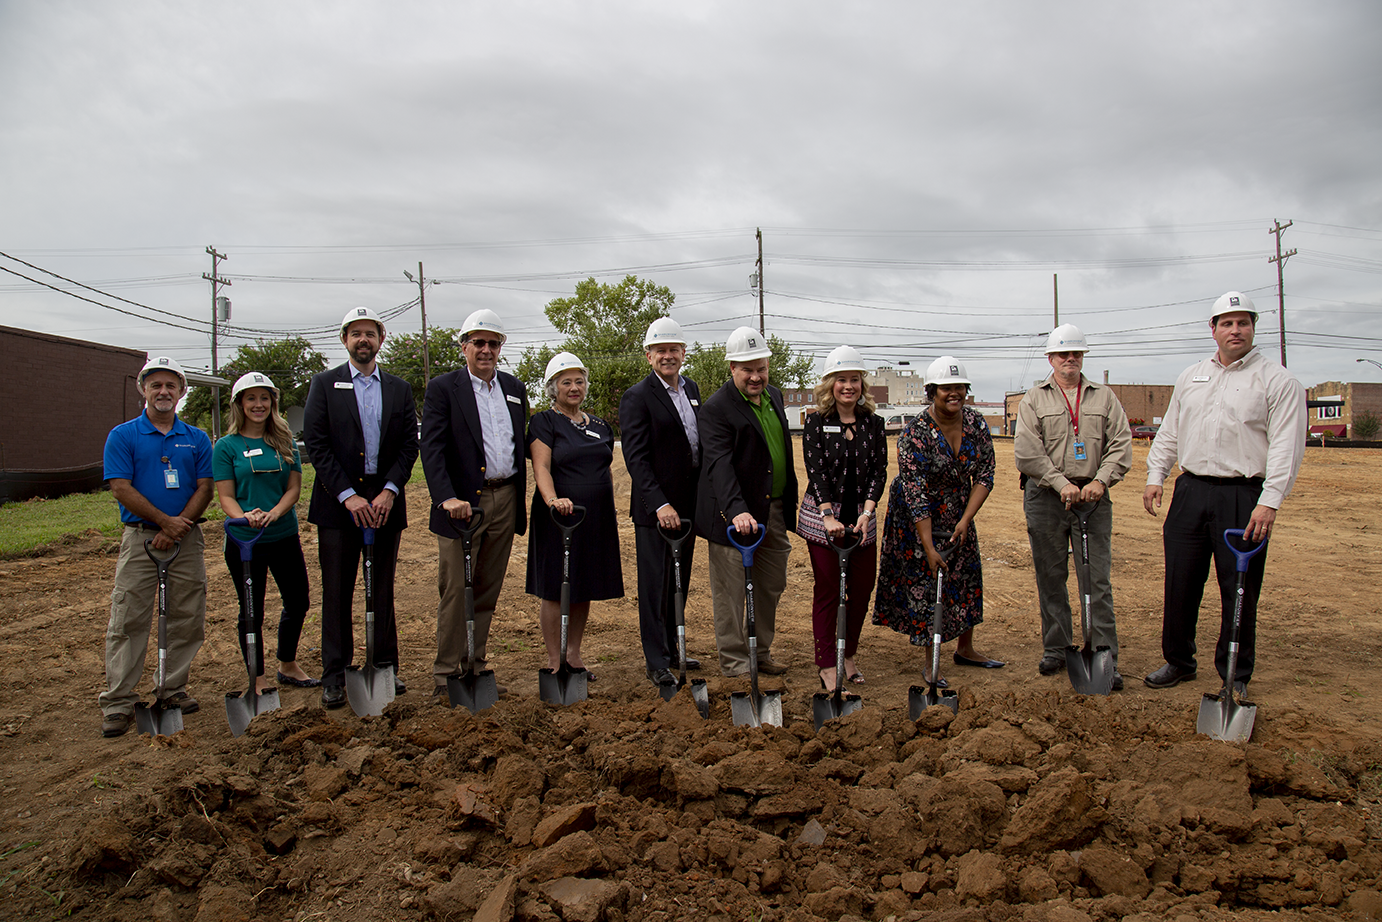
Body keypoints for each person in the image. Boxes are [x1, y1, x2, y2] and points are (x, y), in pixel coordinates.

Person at [1142, 292, 1306, 692]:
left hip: (1243, 497)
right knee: (1180, 582)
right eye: (1227, 323)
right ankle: (1178, 661)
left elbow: (1287, 446)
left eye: (1243, 322)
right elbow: (1171, 432)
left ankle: (1235, 674)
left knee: (1239, 588)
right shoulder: (1191, 376)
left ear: (1253, 327)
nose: (1235, 330)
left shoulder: (1277, 381)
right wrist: (1156, 474)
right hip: (1191, 491)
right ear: (1212, 330)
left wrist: (1270, 501)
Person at [302, 306, 418, 709]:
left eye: (370, 333)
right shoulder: (324, 383)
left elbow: (408, 445)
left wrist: (389, 491)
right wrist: (347, 495)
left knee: (381, 588)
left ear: (381, 340)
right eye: (356, 334)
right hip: (339, 506)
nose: (363, 340)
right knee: (336, 592)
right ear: (345, 340)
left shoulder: (399, 389)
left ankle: (385, 666)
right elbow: (315, 443)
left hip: (385, 504)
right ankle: (335, 675)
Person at [99, 356, 214, 738]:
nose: (163, 392)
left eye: (171, 386)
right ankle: (119, 701)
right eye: (155, 385)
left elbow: (205, 487)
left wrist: (178, 527)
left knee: (186, 614)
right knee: (128, 617)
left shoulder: (196, 438)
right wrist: (163, 523)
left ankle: (171, 689)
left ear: (182, 392)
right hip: (140, 538)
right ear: (143, 389)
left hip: (186, 538)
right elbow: (120, 486)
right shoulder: (123, 435)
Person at [1014, 324, 1133, 689]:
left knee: (1095, 578)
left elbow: (1121, 443)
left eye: (1076, 354)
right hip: (1047, 497)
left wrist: (1101, 481)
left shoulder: (1104, 397)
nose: (1070, 359)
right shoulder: (1034, 399)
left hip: (1093, 499)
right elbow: (1026, 451)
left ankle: (1103, 653)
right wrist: (1060, 483)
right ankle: (1056, 646)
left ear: (1083, 358)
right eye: (1063, 354)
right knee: (1051, 576)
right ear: (1050, 358)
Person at [419, 308, 528, 698]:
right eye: (478, 342)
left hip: (506, 498)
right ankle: (447, 672)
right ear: (464, 346)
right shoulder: (444, 388)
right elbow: (431, 447)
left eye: (493, 343)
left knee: (486, 589)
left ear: (501, 348)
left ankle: (475, 663)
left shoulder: (514, 388)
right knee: (456, 589)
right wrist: (446, 497)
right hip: (463, 504)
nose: (485, 349)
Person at [874, 356, 1001, 685]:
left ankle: (966, 649)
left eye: (959, 387)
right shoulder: (915, 433)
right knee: (928, 582)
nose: (954, 393)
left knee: (967, 575)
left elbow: (986, 473)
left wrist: (966, 518)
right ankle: (931, 662)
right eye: (947, 388)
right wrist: (929, 545)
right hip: (918, 514)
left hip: (959, 510)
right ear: (933, 391)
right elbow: (915, 492)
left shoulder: (975, 422)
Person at [694, 327, 798, 678]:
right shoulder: (716, 409)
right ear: (732, 369)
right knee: (731, 591)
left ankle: (760, 650)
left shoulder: (775, 396)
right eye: (747, 369)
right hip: (733, 517)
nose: (756, 376)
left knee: (770, 584)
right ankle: (736, 661)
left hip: (774, 509)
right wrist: (737, 510)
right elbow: (718, 464)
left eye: (761, 368)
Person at [213, 372, 316, 693]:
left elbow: (294, 489)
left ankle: (287, 664)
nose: (258, 404)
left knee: (298, 601)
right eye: (251, 398)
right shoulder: (226, 447)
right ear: (240, 404)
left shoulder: (285, 443)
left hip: (283, 535)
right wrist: (246, 517)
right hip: (245, 542)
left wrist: (274, 513)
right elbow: (226, 496)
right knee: (251, 610)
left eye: (264, 398)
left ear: (273, 402)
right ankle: (256, 677)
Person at [619, 317, 705, 690]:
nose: (668, 356)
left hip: (689, 506)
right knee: (655, 584)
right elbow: (636, 459)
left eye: (674, 349)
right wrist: (660, 504)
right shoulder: (637, 397)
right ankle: (656, 660)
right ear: (649, 355)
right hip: (658, 510)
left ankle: (673, 648)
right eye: (661, 350)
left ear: (683, 353)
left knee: (678, 582)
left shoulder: (693, 389)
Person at [526, 352, 624, 675]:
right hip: (559, 517)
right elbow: (541, 467)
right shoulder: (544, 421)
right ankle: (555, 660)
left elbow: (603, 468)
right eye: (565, 382)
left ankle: (574, 654)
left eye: (579, 381)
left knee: (585, 584)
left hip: (594, 517)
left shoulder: (599, 425)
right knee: (557, 586)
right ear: (553, 388)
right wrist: (553, 500)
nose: (573, 387)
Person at [800, 345, 887, 690]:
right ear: (829, 385)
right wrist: (827, 514)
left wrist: (867, 512)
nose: (848, 386)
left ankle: (847, 653)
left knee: (862, 588)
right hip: (824, 521)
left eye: (854, 379)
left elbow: (879, 471)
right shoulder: (817, 423)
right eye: (841, 380)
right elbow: (816, 470)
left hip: (862, 519)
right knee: (828, 591)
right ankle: (827, 664)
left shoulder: (874, 424)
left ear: (862, 384)